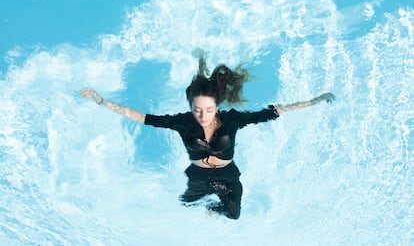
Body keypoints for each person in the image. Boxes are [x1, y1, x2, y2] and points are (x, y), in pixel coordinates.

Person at [81, 51, 335, 220]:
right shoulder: (181, 122)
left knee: (233, 214)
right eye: (197, 109)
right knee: (185, 204)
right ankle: (204, 201)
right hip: (199, 176)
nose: (202, 115)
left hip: (227, 174)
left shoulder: (233, 119)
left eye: (209, 109)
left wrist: (316, 100)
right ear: (191, 106)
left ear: (217, 106)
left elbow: (275, 111)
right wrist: (102, 101)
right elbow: (141, 117)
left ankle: (215, 207)